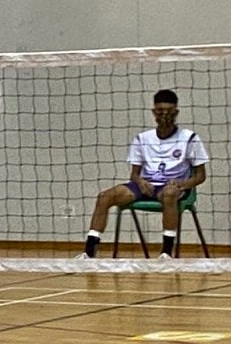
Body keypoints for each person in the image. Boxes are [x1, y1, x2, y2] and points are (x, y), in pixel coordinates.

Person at [82, 89, 209, 258]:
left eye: (169, 112)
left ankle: (166, 253)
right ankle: (89, 252)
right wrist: (140, 182)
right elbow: (134, 174)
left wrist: (182, 184)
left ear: (176, 112)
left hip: (171, 188)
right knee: (104, 197)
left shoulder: (189, 138)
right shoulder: (142, 138)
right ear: (154, 112)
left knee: (170, 194)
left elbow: (201, 176)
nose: (164, 115)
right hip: (145, 186)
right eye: (160, 111)